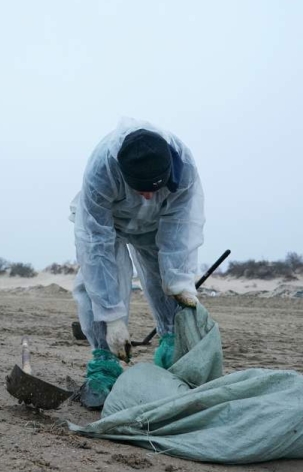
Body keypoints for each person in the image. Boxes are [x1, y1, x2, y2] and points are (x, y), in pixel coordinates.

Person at [70, 118, 205, 409]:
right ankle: (104, 365)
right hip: (110, 226)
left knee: (164, 281)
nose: (146, 196)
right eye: (139, 189)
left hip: (156, 224)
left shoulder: (184, 168)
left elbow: (180, 229)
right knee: (102, 279)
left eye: (152, 189)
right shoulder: (101, 171)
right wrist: (111, 317)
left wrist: (180, 282)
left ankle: (173, 350)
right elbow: (96, 247)